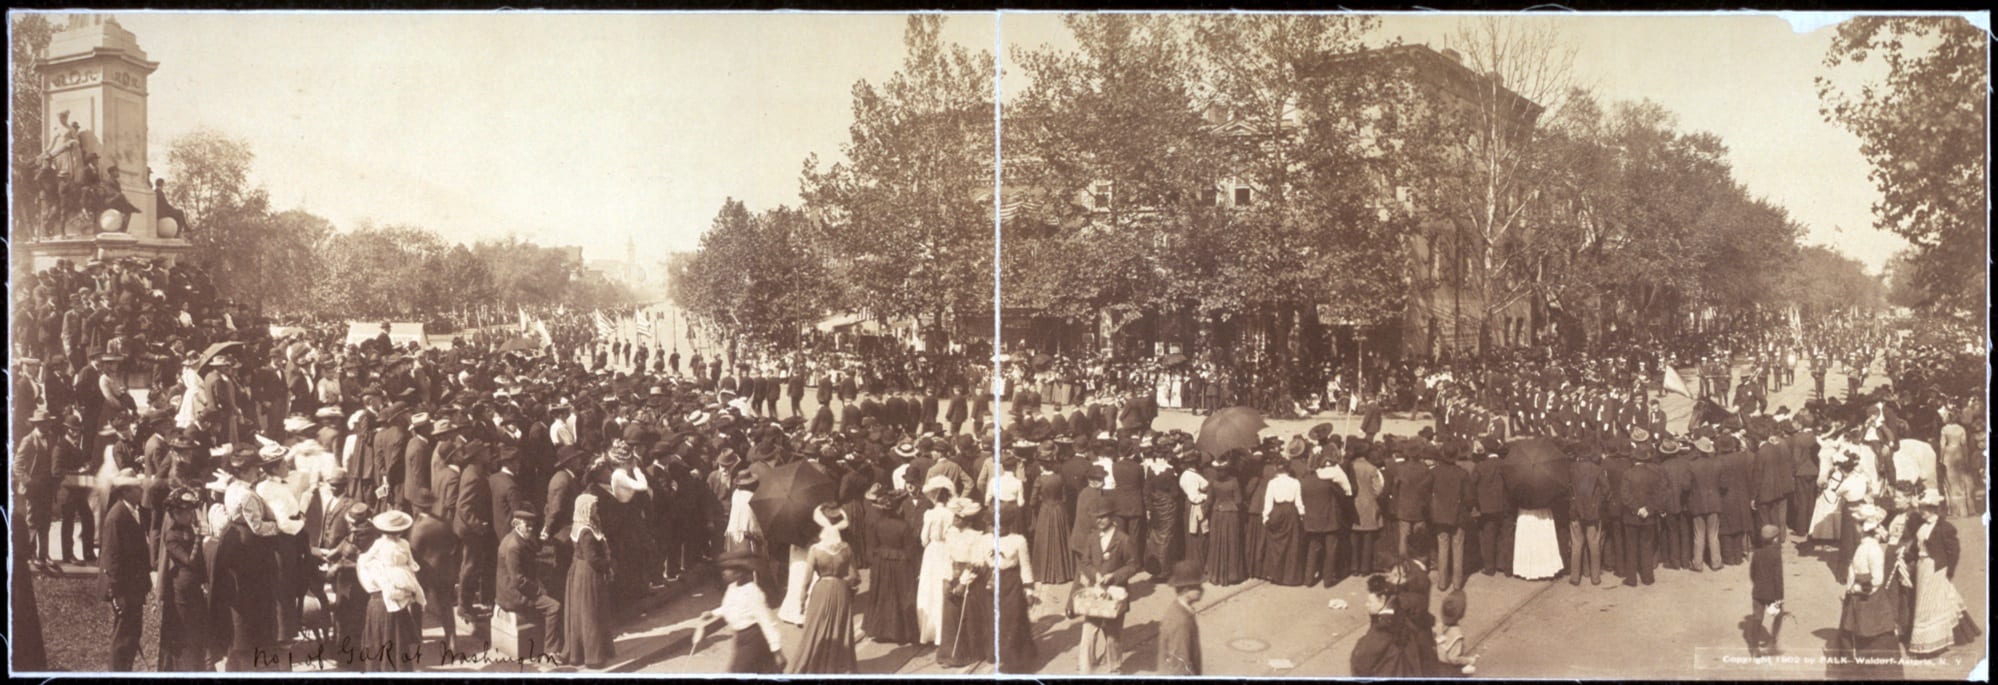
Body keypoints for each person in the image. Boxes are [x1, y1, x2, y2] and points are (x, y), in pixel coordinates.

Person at [1903, 491, 1979, 656]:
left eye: (1923, 508)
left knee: (1928, 605)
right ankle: (1958, 635)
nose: (1921, 511)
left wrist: (1948, 571)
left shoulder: (1945, 527)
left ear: (1932, 509)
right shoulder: (1922, 526)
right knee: (1942, 601)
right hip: (1922, 568)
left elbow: (1954, 551)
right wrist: (1906, 556)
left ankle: (1930, 645)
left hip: (1935, 568)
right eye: (1921, 508)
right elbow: (1917, 548)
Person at [790, 503, 859, 673]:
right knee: (840, 628)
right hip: (841, 591)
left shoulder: (815, 550)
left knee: (815, 628)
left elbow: (806, 580)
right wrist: (845, 584)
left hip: (821, 590)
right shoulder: (846, 548)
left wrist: (802, 600)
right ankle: (838, 665)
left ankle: (814, 662)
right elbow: (855, 576)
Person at [1072, 498, 1138, 674]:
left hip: (1115, 594)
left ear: (1112, 517)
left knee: (1113, 635)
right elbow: (1085, 561)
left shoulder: (1123, 539)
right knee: (1088, 630)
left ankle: (1115, 668)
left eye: (1103, 517)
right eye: (1097, 517)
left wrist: (1114, 576)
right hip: (1096, 592)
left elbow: (1133, 565)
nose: (1099, 520)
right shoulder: (1092, 537)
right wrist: (1096, 574)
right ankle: (1085, 668)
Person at [355, 510, 425, 672]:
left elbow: (364, 562)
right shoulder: (391, 545)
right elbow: (366, 562)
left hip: (388, 595)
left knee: (386, 638)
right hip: (391, 594)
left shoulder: (392, 545)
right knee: (392, 638)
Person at [100, 470, 153, 671]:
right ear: (125, 492)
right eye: (137, 488)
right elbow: (111, 558)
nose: (141, 491)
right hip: (124, 588)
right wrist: (117, 593)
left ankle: (125, 670)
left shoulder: (133, 511)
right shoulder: (117, 516)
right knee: (122, 637)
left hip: (135, 586)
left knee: (132, 633)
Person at [156, 487, 211, 671]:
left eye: (190, 511)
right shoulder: (171, 536)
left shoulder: (189, 530)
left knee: (197, 631)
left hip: (195, 587)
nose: (190, 515)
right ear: (175, 514)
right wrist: (200, 538)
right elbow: (190, 561)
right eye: (185, 512)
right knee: (185, 632)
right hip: (182, 590)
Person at [497, 509, 564, 658]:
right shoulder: (513, 546)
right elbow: (518, 580)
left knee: (555, 594)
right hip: (514, 595)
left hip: (517, 589)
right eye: (527, 525)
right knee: (554, 607)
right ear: (516, 524)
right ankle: (550, 652)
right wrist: (539, 590)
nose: (531, 529)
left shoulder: (517, 538)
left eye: (532, 525)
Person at [562, 484, 615, 668]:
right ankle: (593, 657)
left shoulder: (583, 525)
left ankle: (583, 653)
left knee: (585, 613)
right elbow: (592, 558)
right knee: (591, 614)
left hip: (581, 571)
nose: (596, 509)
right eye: (593, 507)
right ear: (585, 509)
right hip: (588, 574)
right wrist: (608, 565)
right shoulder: (586, 532)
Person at [938, 497, 994, 669]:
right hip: (953, 575)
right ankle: (950, 653)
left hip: (969, 580)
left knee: (968, 616)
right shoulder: (951, 534)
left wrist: (963, 582)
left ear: (965, 519)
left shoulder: (977, 537)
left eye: (957, 517)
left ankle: (966, 653)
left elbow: (975, 564)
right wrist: (947, 579)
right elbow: (947, 557)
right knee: (951, 616)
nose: (953, 519)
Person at [709, 549, 785, 673]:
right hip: (741, 638)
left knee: (737, 672)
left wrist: (777, 650)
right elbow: (730, 607)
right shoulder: (732, 587)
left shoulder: (753, 592)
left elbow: (766, 621)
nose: (723, 573)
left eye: (727, 569)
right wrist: (713, 613)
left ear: (739, 572)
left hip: (753, 638)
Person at [862, 485, 919, 645]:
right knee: (901, 595)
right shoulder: (904, 526)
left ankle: (880, 630)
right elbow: (910, 550)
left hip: (882, 562)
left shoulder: (878, 524)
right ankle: (900, 632)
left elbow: (872, 546)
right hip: (900, 563)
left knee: (883, 595)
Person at [914, 477, 956, 646]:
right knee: (943, 587)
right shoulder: (951, 514)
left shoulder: (929, 514)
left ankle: (928, 631)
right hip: (946, 550)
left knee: (929, 588)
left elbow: (924, 538)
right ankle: (943, 631)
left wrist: (929, 542)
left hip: (932, 552)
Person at [995, 502, 1037, 668]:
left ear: (1008, 524)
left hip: (1012, 582)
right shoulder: (990, 540)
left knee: (1014, 618)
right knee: (1000, 620)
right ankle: (1005, 654)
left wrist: (1028, 590)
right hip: (995, 582)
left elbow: (1025, 565)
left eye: (1002, 525)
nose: (999, 529)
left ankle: (1016, 660)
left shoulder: (1018, 540)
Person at [1156, 559, 1204, 676]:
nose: (1202, 590)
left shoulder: (1179, 610)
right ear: (1186, 590)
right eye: (1197, 586)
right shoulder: (1181, 622)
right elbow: (1180, 666)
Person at [1748, 524, 1787, 657]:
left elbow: (1752, 573)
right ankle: (1773, 642)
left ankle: (1754, 648)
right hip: (1772, 593)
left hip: (1758, 591)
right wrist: (1780, 597)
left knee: (1757, 618)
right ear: (1775, 539)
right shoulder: (1776, 555)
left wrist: (1758, 584)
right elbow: (1778, 577)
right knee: (1778, 615)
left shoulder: (1757, 553)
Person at [1435, 589, 1477, 676]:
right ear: (1461, 614)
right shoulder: (1457, 635)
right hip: (1449, 670)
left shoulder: (1438, 626)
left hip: (1437, 664)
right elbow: (1454, 659)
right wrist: (1469, 660)